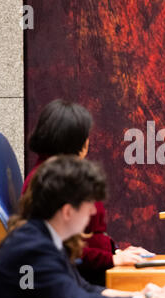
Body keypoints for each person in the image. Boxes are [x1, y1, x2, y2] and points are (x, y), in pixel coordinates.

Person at [0, 156, 165, 298]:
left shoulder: (45, 238)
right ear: (68, 211)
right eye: (89, 205)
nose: (93, 213)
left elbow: (84, 289)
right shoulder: (33, 251)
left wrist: (143, 296)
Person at [23, 99, 153, 285]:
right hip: (86, 275)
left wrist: (116, 252)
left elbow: (89, 237)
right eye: (85, 136)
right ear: (73, 142)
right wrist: (111, 260)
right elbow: (62, 247)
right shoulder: (51, 182)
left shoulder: (57, 172)